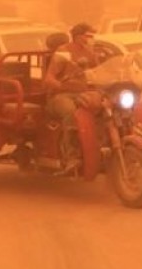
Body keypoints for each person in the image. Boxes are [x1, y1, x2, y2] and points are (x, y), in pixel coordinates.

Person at [42, 23, 100, 167]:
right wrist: (62, 86)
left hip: (83, 93)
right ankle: (71, 154)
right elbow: (49, 78)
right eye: (88, 36)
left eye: (91, 36)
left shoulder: (90, 53)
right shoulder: (64, 52)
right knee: (71, 111)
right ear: (78, 37)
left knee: (106, 106)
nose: (90, 39)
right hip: (61, 97)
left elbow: (98, 73)